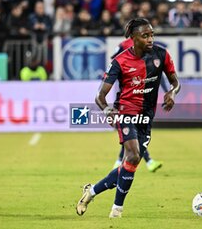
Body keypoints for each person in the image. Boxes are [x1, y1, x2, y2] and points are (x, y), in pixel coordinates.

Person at [76, 18, 180, 218]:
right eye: (145, 35)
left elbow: (176, 83)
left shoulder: (162, 55)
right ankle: (117, 210)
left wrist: (172, 93)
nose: (150, 39)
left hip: (147, 116)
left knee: (129, 165)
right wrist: (107, 111)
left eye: (151, 34)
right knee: (132, 156)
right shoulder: (120, 61)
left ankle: (90, 192)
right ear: (133, 38)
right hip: (125, 112)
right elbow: (100, 96)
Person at [111, 37, 169, 172]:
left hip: (144, 100)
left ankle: (121, 162)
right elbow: (114, 60)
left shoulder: (150, 48)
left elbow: (157, 72)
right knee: (134, 133)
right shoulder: (124, 46)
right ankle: (146, 162)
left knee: (134, 134)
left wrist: (167, 91)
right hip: (128, 98)